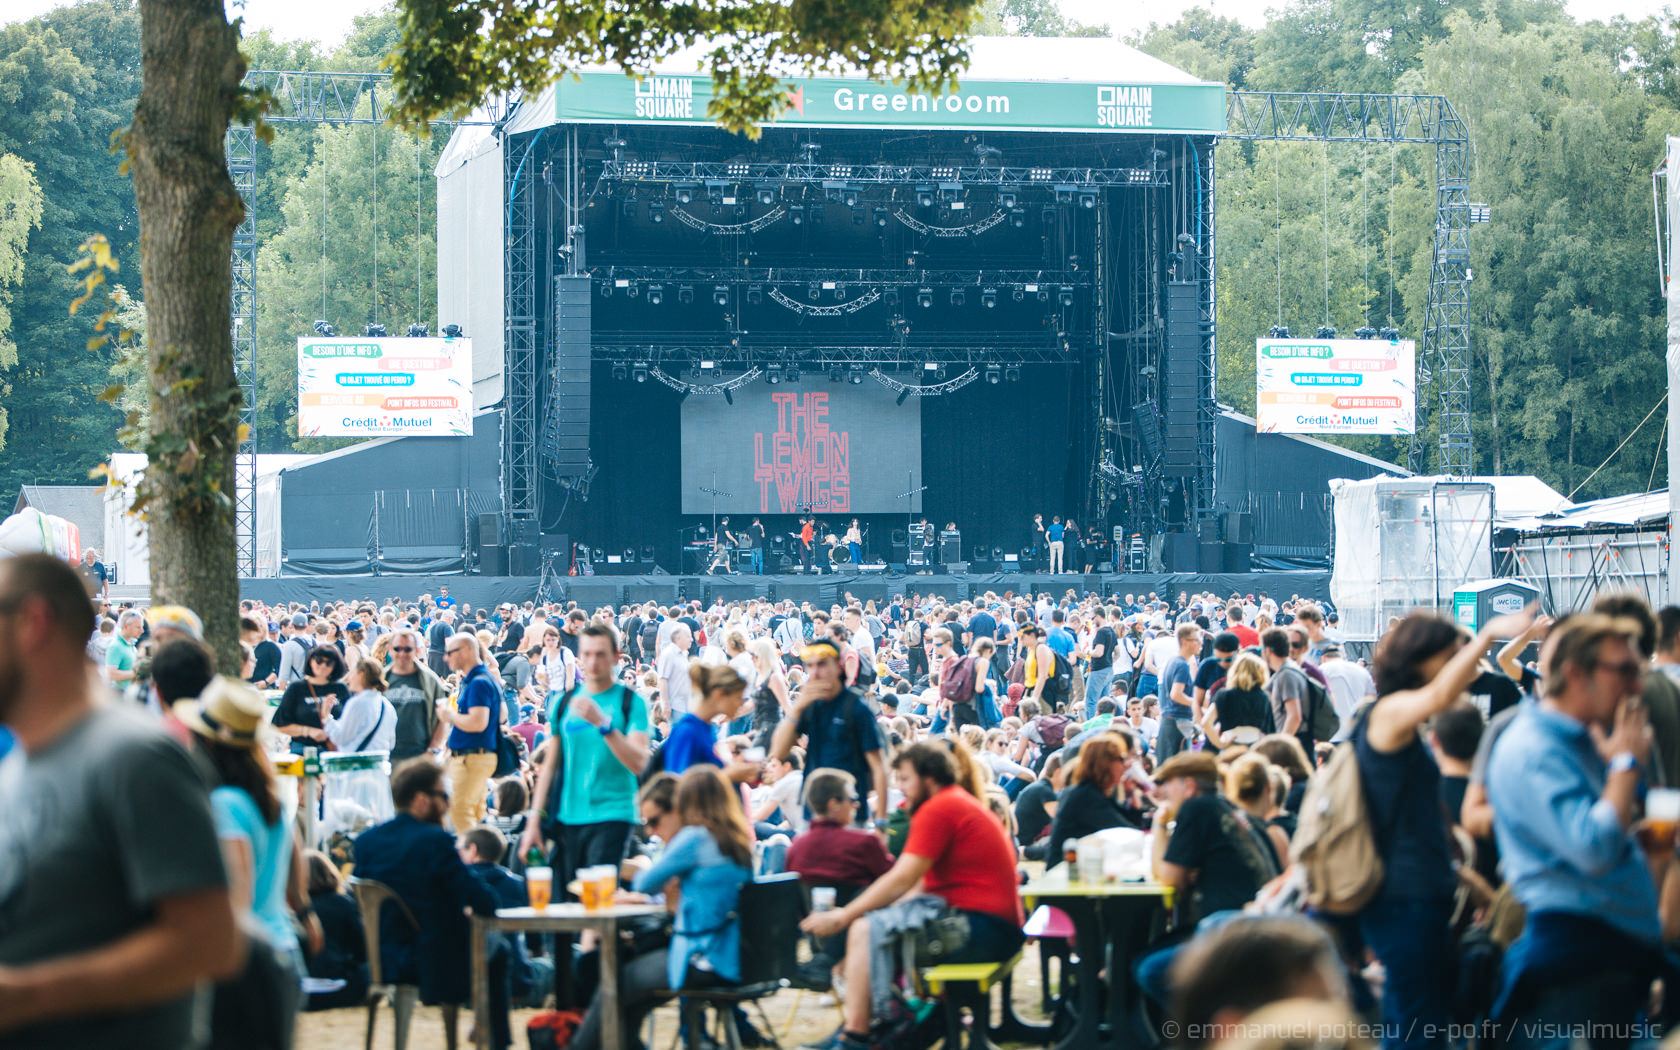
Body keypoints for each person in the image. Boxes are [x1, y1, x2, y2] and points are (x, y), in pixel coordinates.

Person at [0, 554, 243, 1047]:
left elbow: (211, 940)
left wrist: (29, 996)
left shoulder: (136, 756)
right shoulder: (20, 763)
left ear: (32, 622)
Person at [1357, 606, 1535, 1050]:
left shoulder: (1399, 722)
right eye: (1451, 655)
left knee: (1416, 1019)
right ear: (1421, 660)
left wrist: (1465, 878)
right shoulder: (1388, 713)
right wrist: (1488, 635)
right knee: (1418, 1027)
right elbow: (1438, 696)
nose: (1463, 666)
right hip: (1405, 899)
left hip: (1419, 894)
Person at [1487, 613, 1662, 1049]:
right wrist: (1625, 766)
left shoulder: (1578, 740)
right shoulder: (1535, 749)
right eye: (1624, 670)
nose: (1636, 685)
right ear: (1575, 674)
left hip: (1605, 959)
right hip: (1575, 966)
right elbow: (1593, 847)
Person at [799, 742, 1024, 1050]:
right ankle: (869, 1027)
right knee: (870, 927)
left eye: (905, 778)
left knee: (864, 931)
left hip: (983, 931)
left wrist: (844, 916)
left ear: (929, 777)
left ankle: (858, 1035)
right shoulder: (954, 801)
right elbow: (915, 885)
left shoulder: (939, 808)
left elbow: (902, 878)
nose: (900, 787)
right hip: (992, 928)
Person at [569, 768, 754, 1050]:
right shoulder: (736, 840)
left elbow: (644, 883)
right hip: (733, 955)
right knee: (632, 996)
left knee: (615, 982)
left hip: (701, 957)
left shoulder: (695, 838)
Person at [184, 677, 317, 1049]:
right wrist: (306, 914)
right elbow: (295, 879)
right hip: (282, 953)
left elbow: (236, 900)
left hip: (247, 965)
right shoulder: (267, 798)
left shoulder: (225, 804)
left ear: (209, 742)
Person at [354, 758, 510, 1050]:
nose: (448, 804)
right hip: (436, 957)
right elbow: (484, 901)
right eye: (443, 796)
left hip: (381, 956)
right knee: (498, 949)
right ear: (422, 800)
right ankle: (495, 1040)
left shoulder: (366, 843)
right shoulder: (435, 841)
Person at [521, 622, 652, 897]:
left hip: (613, 812)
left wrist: (604, 725)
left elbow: (639, 762)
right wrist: (534, 820)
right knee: (568, 903)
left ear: (616, 657)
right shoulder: (564, 703)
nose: (593, 662)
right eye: (587, 654)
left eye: (600, 654)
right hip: (568, 815)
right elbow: (550, 765)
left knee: (597, 899)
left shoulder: (631, 702)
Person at [772, 640, 889, 828]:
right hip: (813, 812)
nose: (815, 672)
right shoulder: (811, 706)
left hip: (849, 812)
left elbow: (879, 767)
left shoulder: (857, 709)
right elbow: (778, 752)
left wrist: (881, 821)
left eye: (821, 664)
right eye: (810, 666)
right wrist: (798, 707)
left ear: (838, 666)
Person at [1046, 730, 1144, 866]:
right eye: (1121, 759)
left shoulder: (1095, 791)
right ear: (1106, 764)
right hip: (1065, 871)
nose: (1126, 765)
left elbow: (1131, 826)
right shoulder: (1086, 796)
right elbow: (1128, 832)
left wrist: (1131, 793)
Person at [440, 632, 501, 832]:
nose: (445, 658)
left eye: (450, 652)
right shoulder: (484, 678)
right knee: (476, 811)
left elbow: (477, 723)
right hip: (477, 755)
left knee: (460, 809)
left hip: (472, 756)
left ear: (465, 651)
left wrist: (450, 716)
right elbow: (502, 715)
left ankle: (471, 849)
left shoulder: (478, 682)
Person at [384, 627, 448, 763]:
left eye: (407, 649)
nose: (402, 653)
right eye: (397, 649)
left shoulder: (431, 680)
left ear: (417, 651)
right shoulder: (380, 679)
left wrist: (432, 750)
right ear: (389, 650)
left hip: (420, 755)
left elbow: (443, 718)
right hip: (386, 755)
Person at [272, 644, 348, 754]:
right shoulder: (296, 688)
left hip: (334, 749)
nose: (323, 666)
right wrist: (308, 731)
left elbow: (351, 722)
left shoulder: (341, 688)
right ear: (311, 661)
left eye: (329, 663)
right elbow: (279, 724)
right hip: (303, 748)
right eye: (319, 661)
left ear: (335, 666)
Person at [323, 658, 397, 753]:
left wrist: (327, 718)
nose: (349, 678)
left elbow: (339, 738)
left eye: (352, 673)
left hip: (358, 761)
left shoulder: (356, 703)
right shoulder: (388, 706)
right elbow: (391, 743)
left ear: (361, 675)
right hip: (381, 760)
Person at [1202, 652, 1274, 747]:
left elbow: (1206, 722)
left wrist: (1218, 743)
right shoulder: (1264, 697)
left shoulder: (1224, 695)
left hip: (1230, 746)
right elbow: (1270, 730)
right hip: (1255, 747)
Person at [1157, 622, 1201, 761]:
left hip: (1171, 721)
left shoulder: (1174, 661)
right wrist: (1197, 704)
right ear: (1184, 642)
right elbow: (1176, 695)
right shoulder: (1181, 665)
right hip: (1178, 721)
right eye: (1196, 640)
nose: (1200, 644)